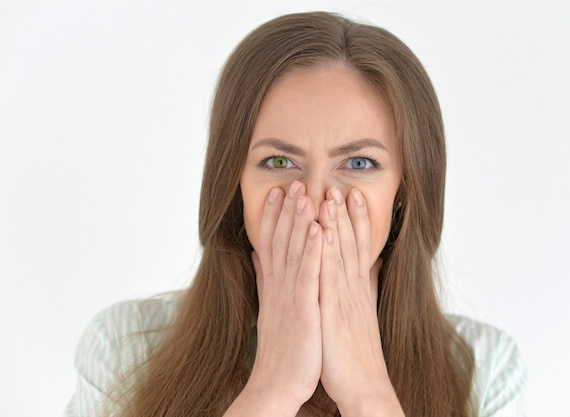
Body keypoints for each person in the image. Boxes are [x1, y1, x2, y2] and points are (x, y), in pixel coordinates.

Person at [65, 11, 526, 417]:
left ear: (404, 191)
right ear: (234, 184)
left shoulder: (485, 370)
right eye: (279, 163)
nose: (318, 201)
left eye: (359, 164)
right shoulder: (123, 347)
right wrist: (273, 389)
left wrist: (368, 393)